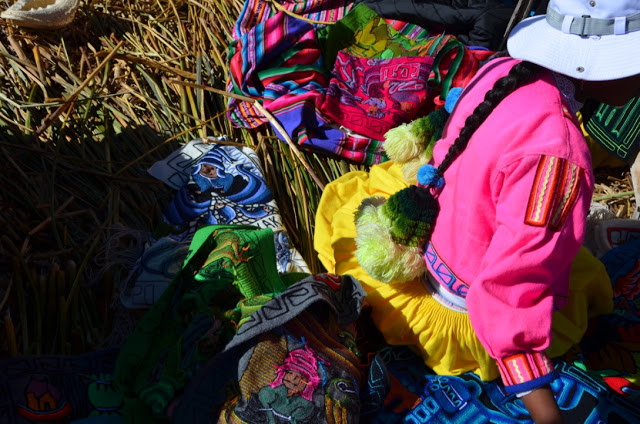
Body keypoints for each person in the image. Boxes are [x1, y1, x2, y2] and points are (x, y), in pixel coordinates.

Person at [314, 0, 640, 422]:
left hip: (439, 245)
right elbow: (510, 292)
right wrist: (547, 413)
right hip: (467, 314)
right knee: (584, 282)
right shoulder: (559, 157)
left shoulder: (501, 72)